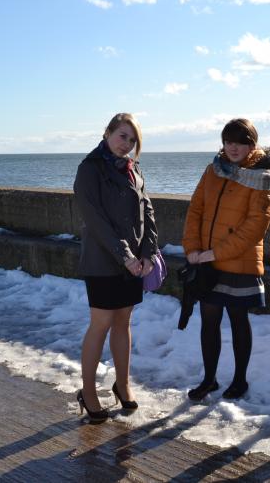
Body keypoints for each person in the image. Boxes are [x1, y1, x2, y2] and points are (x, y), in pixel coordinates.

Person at [182, 118, 270, 401]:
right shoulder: (213, 170)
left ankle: (239, 380)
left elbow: (256, 226)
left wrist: (214, 253)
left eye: (241, 142)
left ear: (252, 144)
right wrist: (192, 248)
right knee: (209, 321)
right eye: (228, 141)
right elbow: (195, 210)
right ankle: (209, 379)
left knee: (238, 320)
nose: (234, 147)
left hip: (239, 262)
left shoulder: (262, 176)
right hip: (207, 261)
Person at [73, 113, 158, 422]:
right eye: (122, 136)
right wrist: (126, 256)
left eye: (132, 140)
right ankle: (88, 392)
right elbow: (95, 220)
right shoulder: (90, 168)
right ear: (107, 132)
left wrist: (148, 253)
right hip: (102, 261)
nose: (127, 144)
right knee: (101, 323)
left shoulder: (134, 170)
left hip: (132, 263)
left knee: (124, 321)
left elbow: (148, 212)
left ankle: (122, 386)